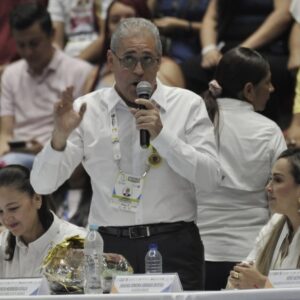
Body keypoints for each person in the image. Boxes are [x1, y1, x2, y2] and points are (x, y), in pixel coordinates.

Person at [30, 17, 221, 290]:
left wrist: (163, 137)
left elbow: (211, 178)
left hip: (173, 243)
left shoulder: (187, 105)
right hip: (109, 247)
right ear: (110, 60)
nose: (139, 70)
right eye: (129, 59)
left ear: (160, 61)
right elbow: (41, 185)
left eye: (148, 59)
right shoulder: (87, 110)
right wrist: (59, 137)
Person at [197, 47, 287, 290]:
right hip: (250, 257)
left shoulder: (195, 122)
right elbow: (280, 199)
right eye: (267, 83)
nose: (272, 89)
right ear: (249, 89)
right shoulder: (269, 131)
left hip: (199, 255)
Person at [0, 3, 93, 169]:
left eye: (34, 44)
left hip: (60, 152)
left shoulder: (81, 72)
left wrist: (48, 148)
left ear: (52, 35)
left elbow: (82, 133)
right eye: (21, 45)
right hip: (15, 156)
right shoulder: (10, 75)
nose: (28, 52)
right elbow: (5, 132)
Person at [180, 0, 294, 129]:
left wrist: (241, 51)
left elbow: (283, 15)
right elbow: (211, 19)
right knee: (190, 70)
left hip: (265, 49)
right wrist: (209, 49)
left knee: (255, 72)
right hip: (226, 49)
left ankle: (263, 132)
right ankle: (199, 129)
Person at [227, 147, 300, 289]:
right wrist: (238, 276)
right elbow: (243, 271)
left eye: (278, 180)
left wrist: (261, 283)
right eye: (270, 179)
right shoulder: (275, 224)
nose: (268, 187)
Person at [0, 165, 86, 278]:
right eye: (0, 211)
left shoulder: (76, 241)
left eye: (13, 208)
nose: (6, 218)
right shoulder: (2, 244)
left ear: (37, 199)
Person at [84, 0, 185, 92]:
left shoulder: (167, 68)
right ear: (107, 30)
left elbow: (177, 108)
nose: (122, 24)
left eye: (129, 18)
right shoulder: (95, 75)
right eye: (115, 20)